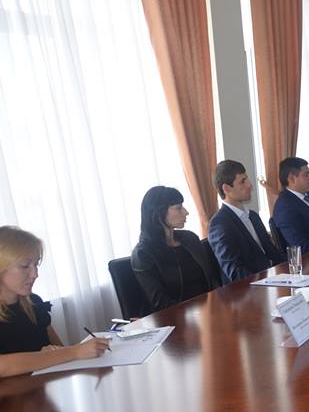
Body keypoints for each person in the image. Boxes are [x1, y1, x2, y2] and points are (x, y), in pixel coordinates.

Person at [0, 226, 110, 377]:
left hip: (42, 387)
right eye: (25, 266)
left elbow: (59, 350)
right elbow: (3, 366)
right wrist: (71, 352)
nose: (35, 274)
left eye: (36, 264)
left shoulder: (34, 303)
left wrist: (54, 353)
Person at [132, 186, 223, 314]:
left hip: (208, 310)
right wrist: (197, 314)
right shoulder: (143, 254)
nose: (186, 212)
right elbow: (161, 303)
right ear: (159, 213)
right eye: (178, 208)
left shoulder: (190, 238)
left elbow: (211, 278)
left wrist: (220, 302)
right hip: (174, 318)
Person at [208, 160, 285, 283]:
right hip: (248, 288)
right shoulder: (219, 224)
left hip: (273, 279)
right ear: (226, 188)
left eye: (247, 179)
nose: (249, 185)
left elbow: (272, 253)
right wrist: (267, 282)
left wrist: (289, 270)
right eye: (242, 181)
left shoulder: (253, 216)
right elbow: (234, 271)